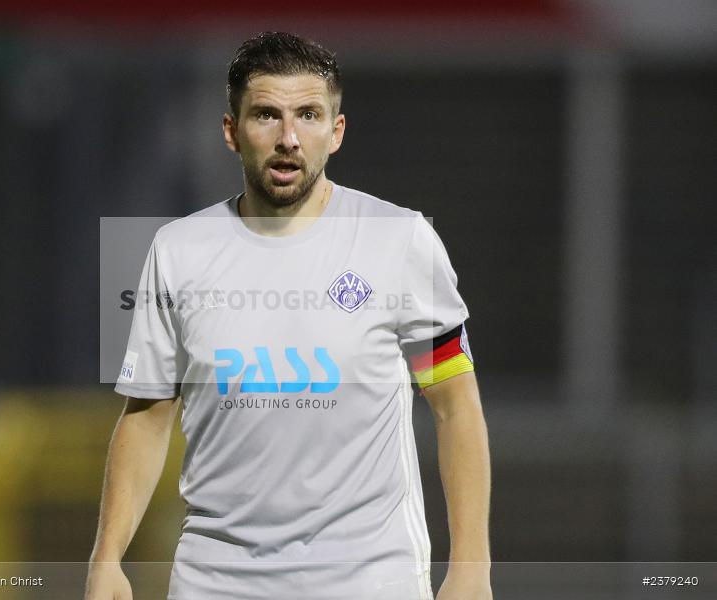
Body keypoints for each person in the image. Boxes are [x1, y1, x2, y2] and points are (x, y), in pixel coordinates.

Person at [86, 32, 491, 600]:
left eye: (308, 114)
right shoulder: (174, 251)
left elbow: (455, 405)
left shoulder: (400, 240)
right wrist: (106, 560)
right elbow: (146, 416)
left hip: (371, 582)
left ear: (337, 130)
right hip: (214, 585)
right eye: (266, 116)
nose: (288, 138)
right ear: (231, 131)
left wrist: (472, 568)